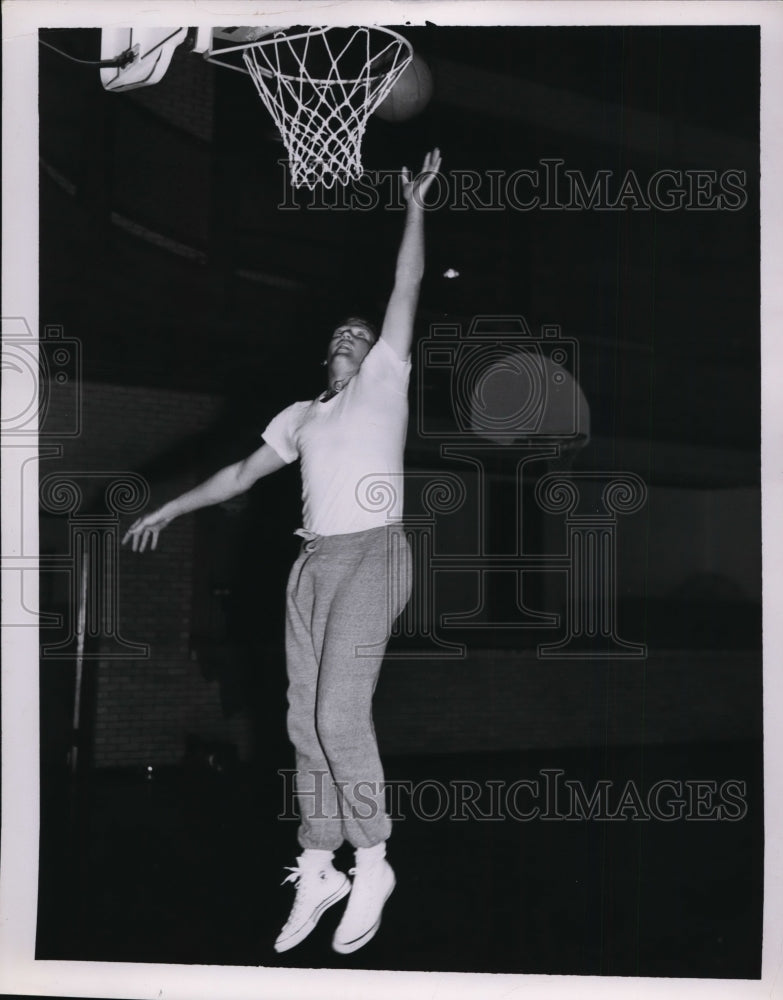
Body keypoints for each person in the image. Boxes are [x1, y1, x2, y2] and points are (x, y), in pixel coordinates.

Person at [123, 148, 443, 955]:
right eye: (342, 329)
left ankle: (373, 859)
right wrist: (170, 504)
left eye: (361, 332)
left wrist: (414, 205)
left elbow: (402, 289)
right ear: (324, 353)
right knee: (303, 720)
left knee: (340, 712)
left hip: (372, 551)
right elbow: (236, 472)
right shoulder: (300, 415)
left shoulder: (384, 381)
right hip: (311, 565)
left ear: (376, 353)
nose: (350, 332)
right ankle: (318, 861)